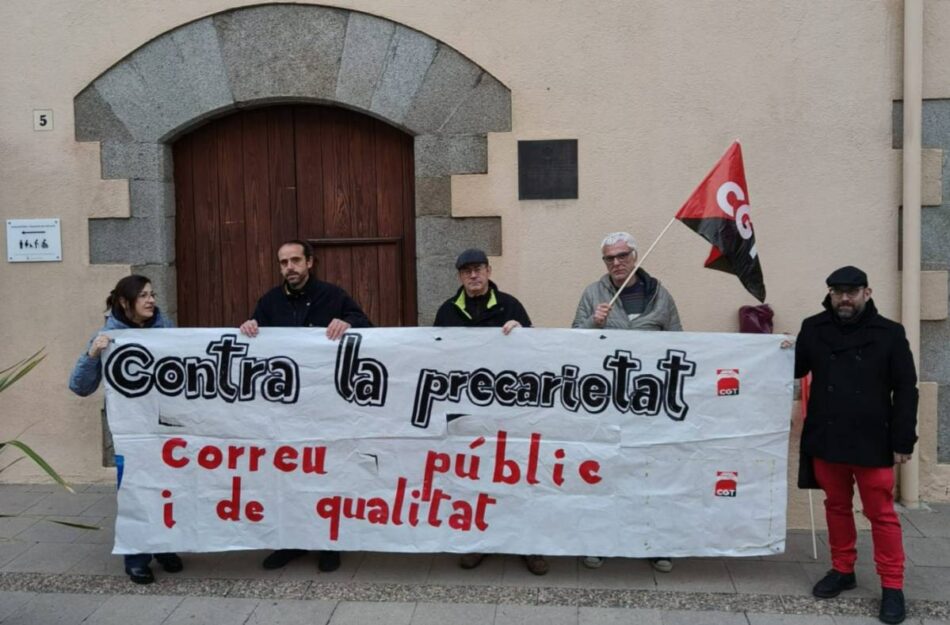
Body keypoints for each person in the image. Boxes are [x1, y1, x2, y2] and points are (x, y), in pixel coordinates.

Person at [794, 266, 917, 625]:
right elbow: (796, 368)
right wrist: (776, 345)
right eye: (837, 291)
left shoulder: (890, 334)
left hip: (872, 439)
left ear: (867, 292)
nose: (844, 298)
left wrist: (903, 439)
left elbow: (906, 389)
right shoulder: (813, 328)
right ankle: (842, 569)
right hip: (826, 436)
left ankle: (893, 586)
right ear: (830, 294)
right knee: (836, 506)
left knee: (880, 515)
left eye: (851, 291)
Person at [240, 239, 371, 572]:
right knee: (286, 477)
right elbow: (254, 339)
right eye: (283, 262)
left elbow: (366, 326)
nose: (290, 268)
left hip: (326, 406)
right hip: (283, 409)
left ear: (310, 262)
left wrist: (350, 324)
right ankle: (290, 542)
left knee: (326, 474)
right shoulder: (269, 302)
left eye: (296, 260)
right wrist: (248, 327)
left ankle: (328, 543)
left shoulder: (334, 296)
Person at [572, 231, 681, 573]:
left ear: (635, 256)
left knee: (650, 475)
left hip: (651, 403)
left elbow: (682, 344)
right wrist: (594, 323)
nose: (616, 263)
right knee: (606, 472)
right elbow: (572, 342)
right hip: (606, 400)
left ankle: (656, 544)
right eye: (609, 258)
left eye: (622, 256)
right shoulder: (593, 294)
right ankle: (601, 541)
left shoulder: (661, 295)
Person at [433, 248, 546, 576]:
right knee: (473, 479)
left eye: (478, 269)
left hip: (508, 408)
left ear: (488, 270)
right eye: (466, 270)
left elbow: (537, 352)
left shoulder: (510, 305)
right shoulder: (446, 311)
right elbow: (435, 357)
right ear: (459, 276)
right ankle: (477, 542)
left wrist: (522, 333)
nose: (473, 276)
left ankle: (528, 545)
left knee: (518, 475)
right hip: (464, 411)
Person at [69, 274, 184, 585]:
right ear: (124, 302)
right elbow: (79, 387)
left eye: (153, 294)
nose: (151, 300)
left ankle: (165, 547)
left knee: (170, 491)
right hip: (132, 435)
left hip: (168, 430)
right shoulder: (107, 337)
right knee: (136, 493)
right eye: (143, 295)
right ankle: (137, 557)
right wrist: (93, 353)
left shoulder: (168, 330)